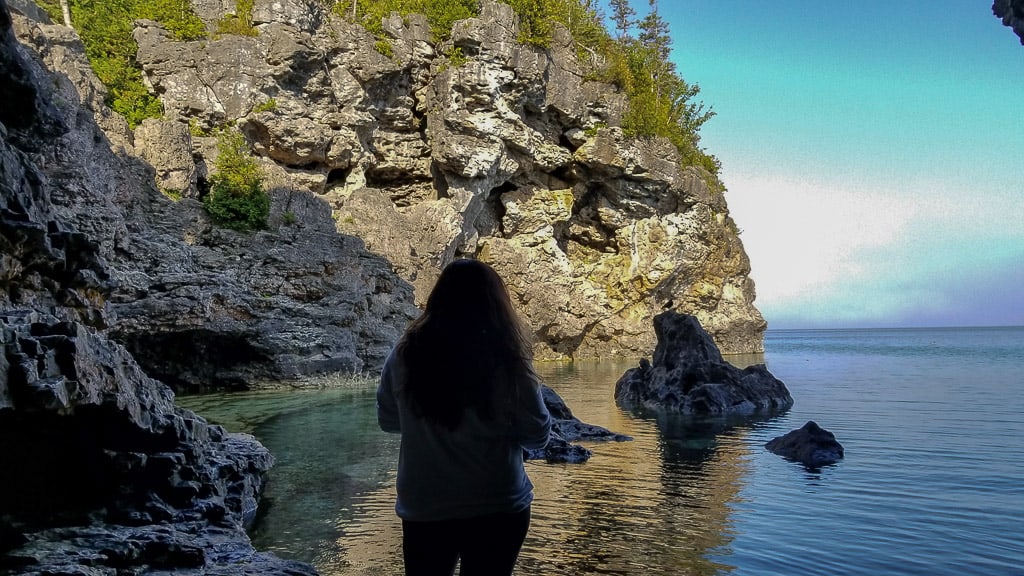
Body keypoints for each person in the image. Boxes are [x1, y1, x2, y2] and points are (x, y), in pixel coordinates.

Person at [377, 259, 552, 576]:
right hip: (496, 501)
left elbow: (389, 422)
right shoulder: (507, 357)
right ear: (497, 303)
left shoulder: (404, 352)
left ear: (438, 297)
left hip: (425, 503)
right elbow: (537, 435)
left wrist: (427, 428)